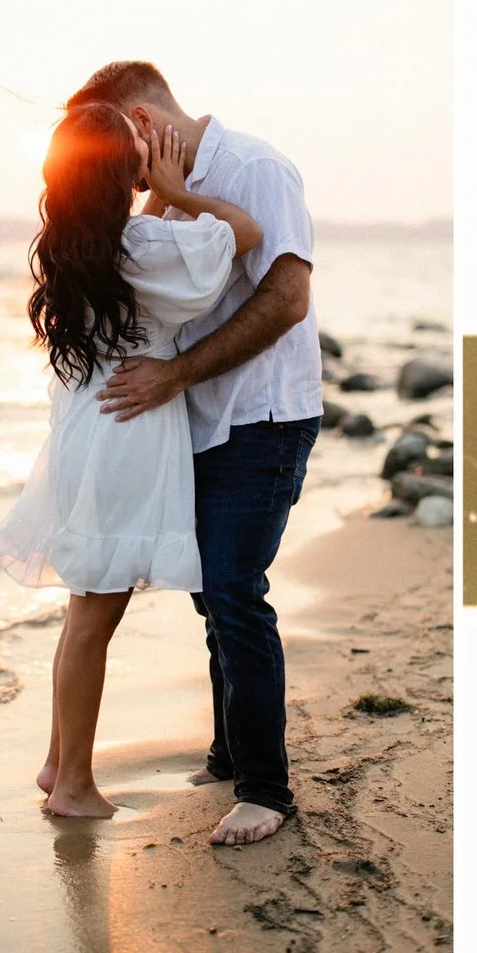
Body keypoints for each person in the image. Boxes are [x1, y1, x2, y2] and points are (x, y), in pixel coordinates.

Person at [67, 61, 324, 847]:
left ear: (142, 124)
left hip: (261, 416)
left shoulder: (255, 170)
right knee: (210, 596)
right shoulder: (151, 198)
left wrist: (174, 374)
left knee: (235, 591)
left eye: (117, 141)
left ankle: (265, 790)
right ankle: (227, 751)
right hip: (192, 422)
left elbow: (287, 298)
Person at [0, 103, 261, 822]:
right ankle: (74, 784)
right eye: (138, 146)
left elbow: (163, 246)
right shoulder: (141, 245)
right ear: (121, 175)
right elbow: (245, 234)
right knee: (95, 615)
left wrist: (158, 190)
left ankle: (58, 761)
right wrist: (182, 186)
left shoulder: (78, 246)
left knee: (85, 611)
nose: (151, 148)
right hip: (126, 434)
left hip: (89, 434)